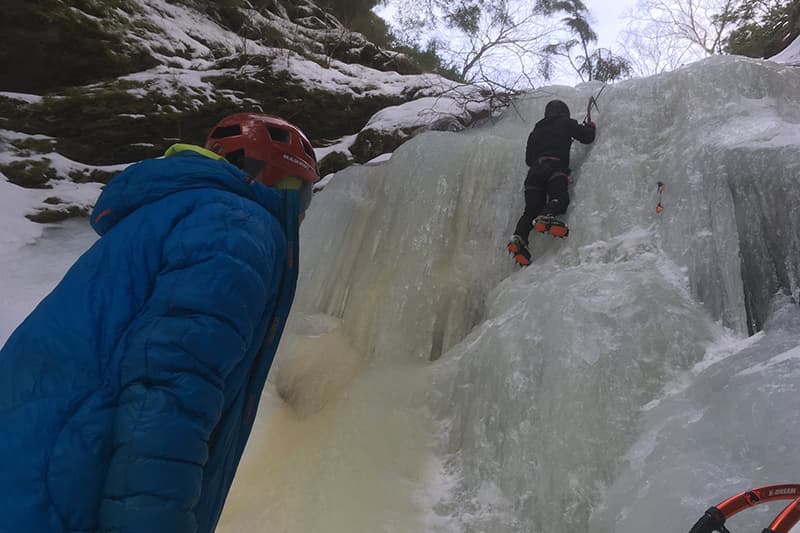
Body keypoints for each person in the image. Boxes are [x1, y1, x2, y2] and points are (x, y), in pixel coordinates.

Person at [0, 113, 319, 533]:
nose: (300, 213)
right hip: (64, 483)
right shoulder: (236, 227)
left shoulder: (174, 211)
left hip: (28, 457)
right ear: (276, 178)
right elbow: (170, 393)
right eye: (303, 195)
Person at [508, 99, 596, 266]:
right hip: (555, 168)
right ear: (564, 112)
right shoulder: (566, 122)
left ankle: (519, 238)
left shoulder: (535, 131)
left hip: (533, 173)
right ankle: (546, 217)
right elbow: (587, 137)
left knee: (530, 210)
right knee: (559, 199)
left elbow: (528, 159)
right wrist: (590, 126)